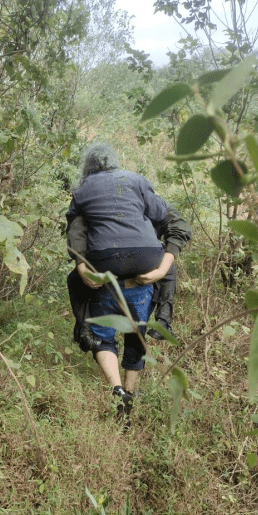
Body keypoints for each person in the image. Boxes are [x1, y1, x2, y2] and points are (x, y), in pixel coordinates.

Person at [65, 142, 174, 425]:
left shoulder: (81, 190)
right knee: (136, 333)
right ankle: (131, 391)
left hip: (105, 264)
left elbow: (75, 228)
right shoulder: (135, 179)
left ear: (87, 166)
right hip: (145, 261)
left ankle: (116, 389)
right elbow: (161, 213)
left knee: (103, 335)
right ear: (114, 162)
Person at [67, 202, 192, 342]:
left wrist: (81, 263)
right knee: (168, 267)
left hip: (107, 258)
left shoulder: (99, 197)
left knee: (75, 279)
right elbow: (178, 224)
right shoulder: (145, 196)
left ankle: (84, 327)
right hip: (142, 258)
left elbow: (77, 228)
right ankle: (163, 321)